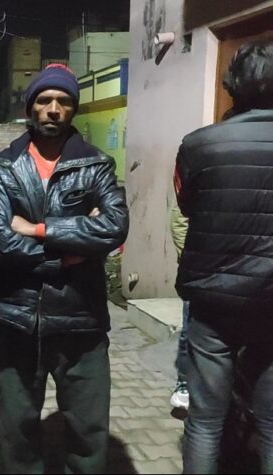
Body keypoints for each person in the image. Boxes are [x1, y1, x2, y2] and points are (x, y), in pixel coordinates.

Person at [0, 64, 129, 473]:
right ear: (30, 107)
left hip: (82, 319)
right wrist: (69, 252)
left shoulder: (95, 164)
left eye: (63, 101)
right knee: (18, 431)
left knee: (88, 432)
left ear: (73, 109)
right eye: (44, 100)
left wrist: (38, 229)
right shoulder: (5, 166)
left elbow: (114, 226)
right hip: (19, 319)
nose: (53, 109)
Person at [174, 40, 273, 474]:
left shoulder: (198, 144)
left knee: (205, 421)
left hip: (213, 300)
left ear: (232, 86)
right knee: (271, 421)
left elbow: (187, 206)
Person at [169, 205, 190, 411]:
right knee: (190, 331)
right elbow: (180, 219)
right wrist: (192, 257)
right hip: (201, 270)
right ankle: (184, 385)